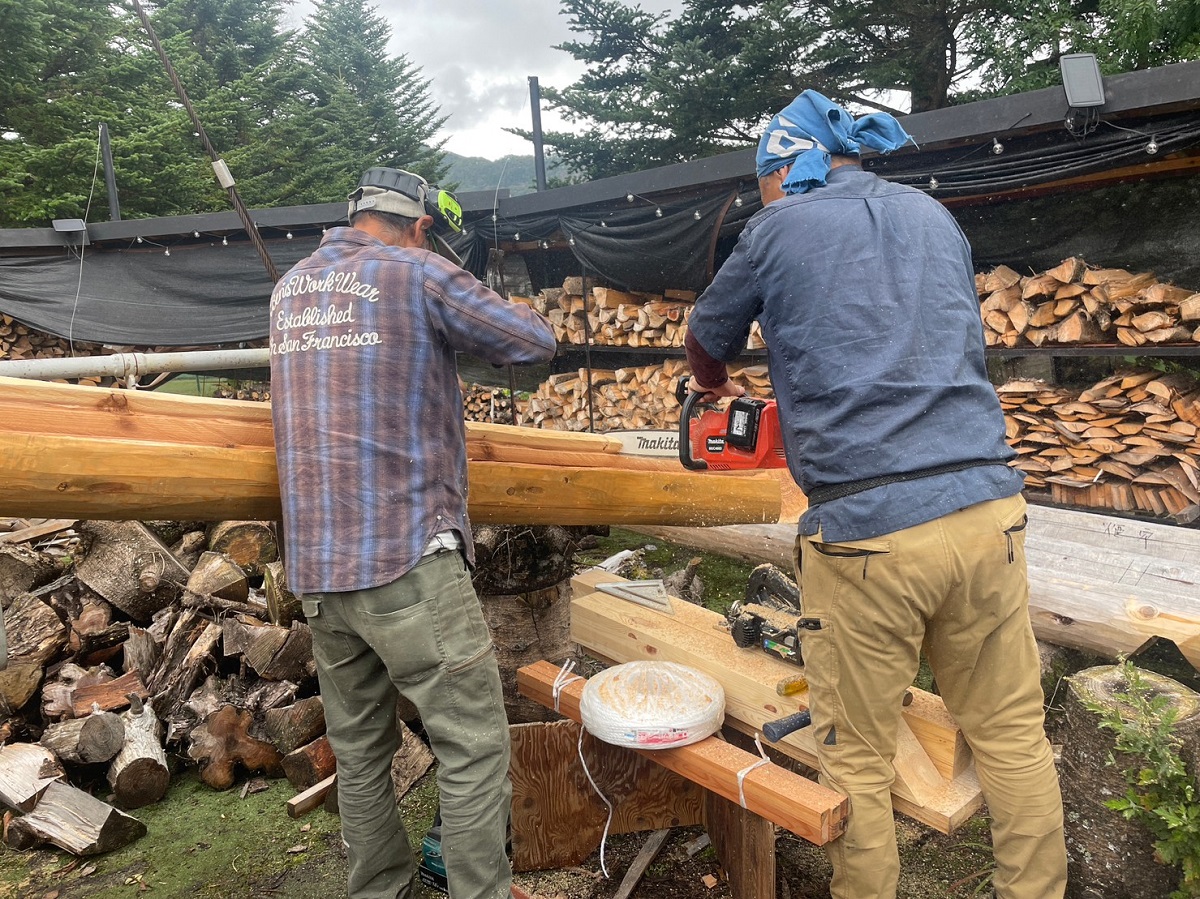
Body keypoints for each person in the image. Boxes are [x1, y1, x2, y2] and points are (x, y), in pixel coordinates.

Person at [684, 91, 1067, 899]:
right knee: (1011, 734)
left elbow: (706, 336)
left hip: (867, 531)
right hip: (988, 510)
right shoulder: (933, 217)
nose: (766, 198)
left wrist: (714, 386)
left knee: (855, 755)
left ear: (784, 169)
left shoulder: (775, 228)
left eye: (764, 185)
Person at [269, 166, 556, 899]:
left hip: (319, 569)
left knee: (361, 753)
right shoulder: (420, 272)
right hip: (407, 559)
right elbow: (531, 340)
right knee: (474, 747)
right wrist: (495, 292)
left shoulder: (290, 288)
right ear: (422, 225)